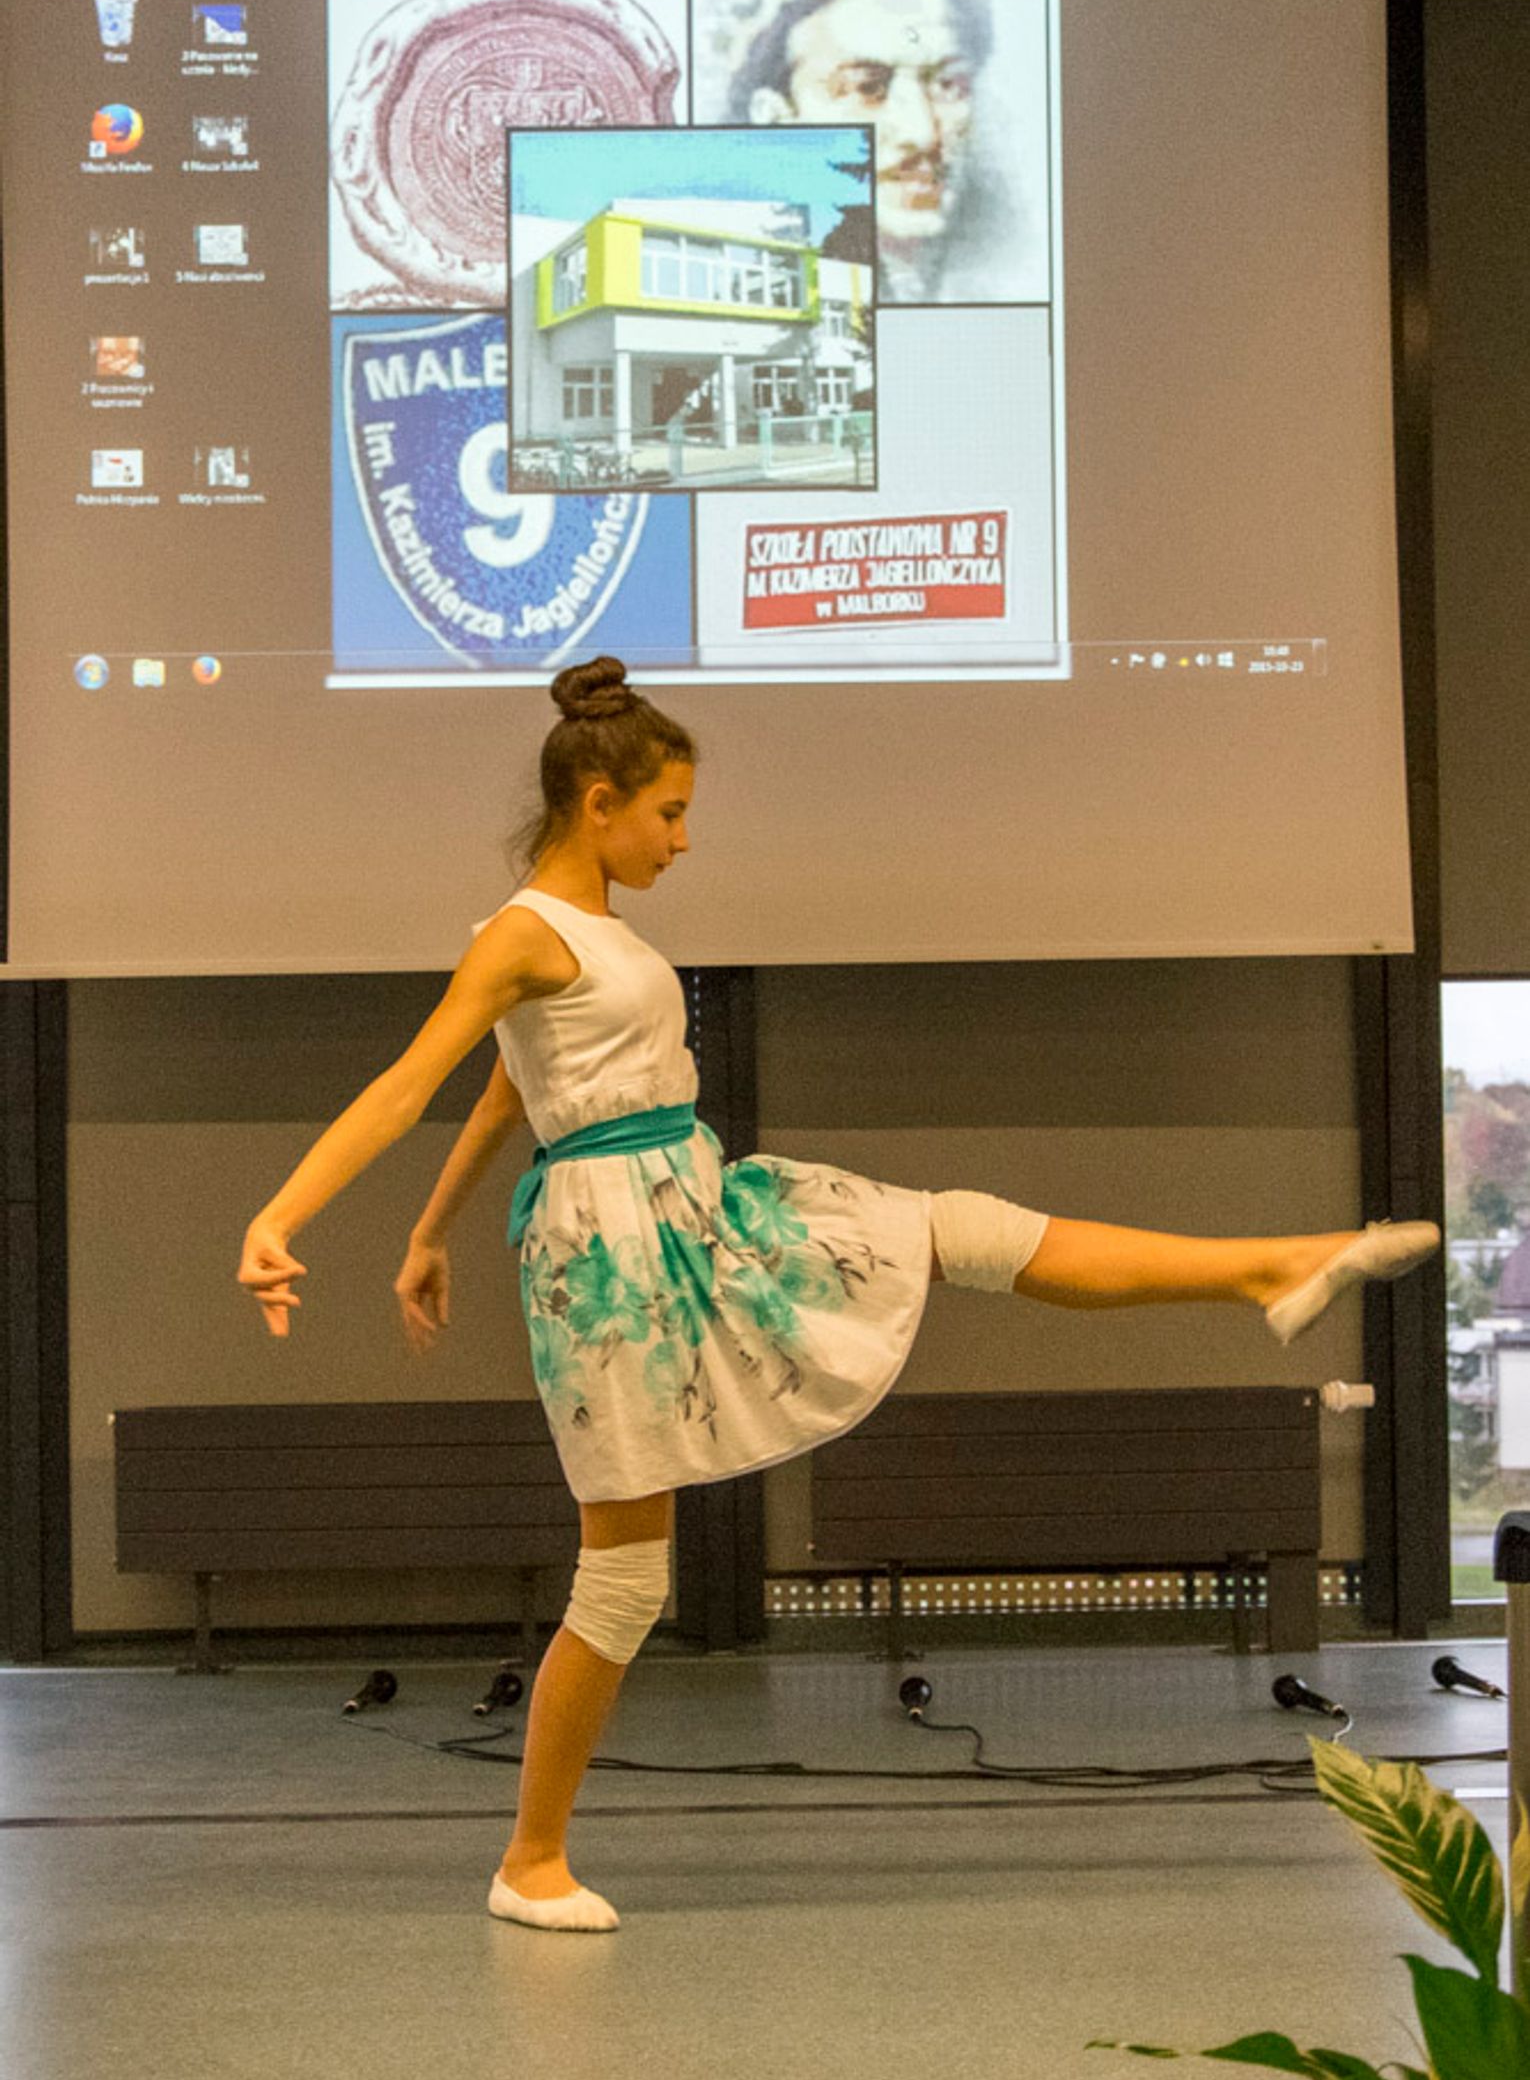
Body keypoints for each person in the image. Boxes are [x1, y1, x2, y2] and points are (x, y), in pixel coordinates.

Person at [236, 654, 1440, 1936]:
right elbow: (413, 1083)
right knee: (626, 1582)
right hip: (617, 1267)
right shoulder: (524, 933)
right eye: (669, 813)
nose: (683, 839)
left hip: (695, 1210)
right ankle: (530, 1859)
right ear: (598, 802)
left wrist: (430, 1231)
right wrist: (280, 1216)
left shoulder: (593, 933)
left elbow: (504, 1091)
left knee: (956, 1228)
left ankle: (1266, 1263)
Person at [721, 0, 1027, 305]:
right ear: (777, 121)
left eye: (948, 84)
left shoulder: (1007, 275)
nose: (922, 133)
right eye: (867, 88)